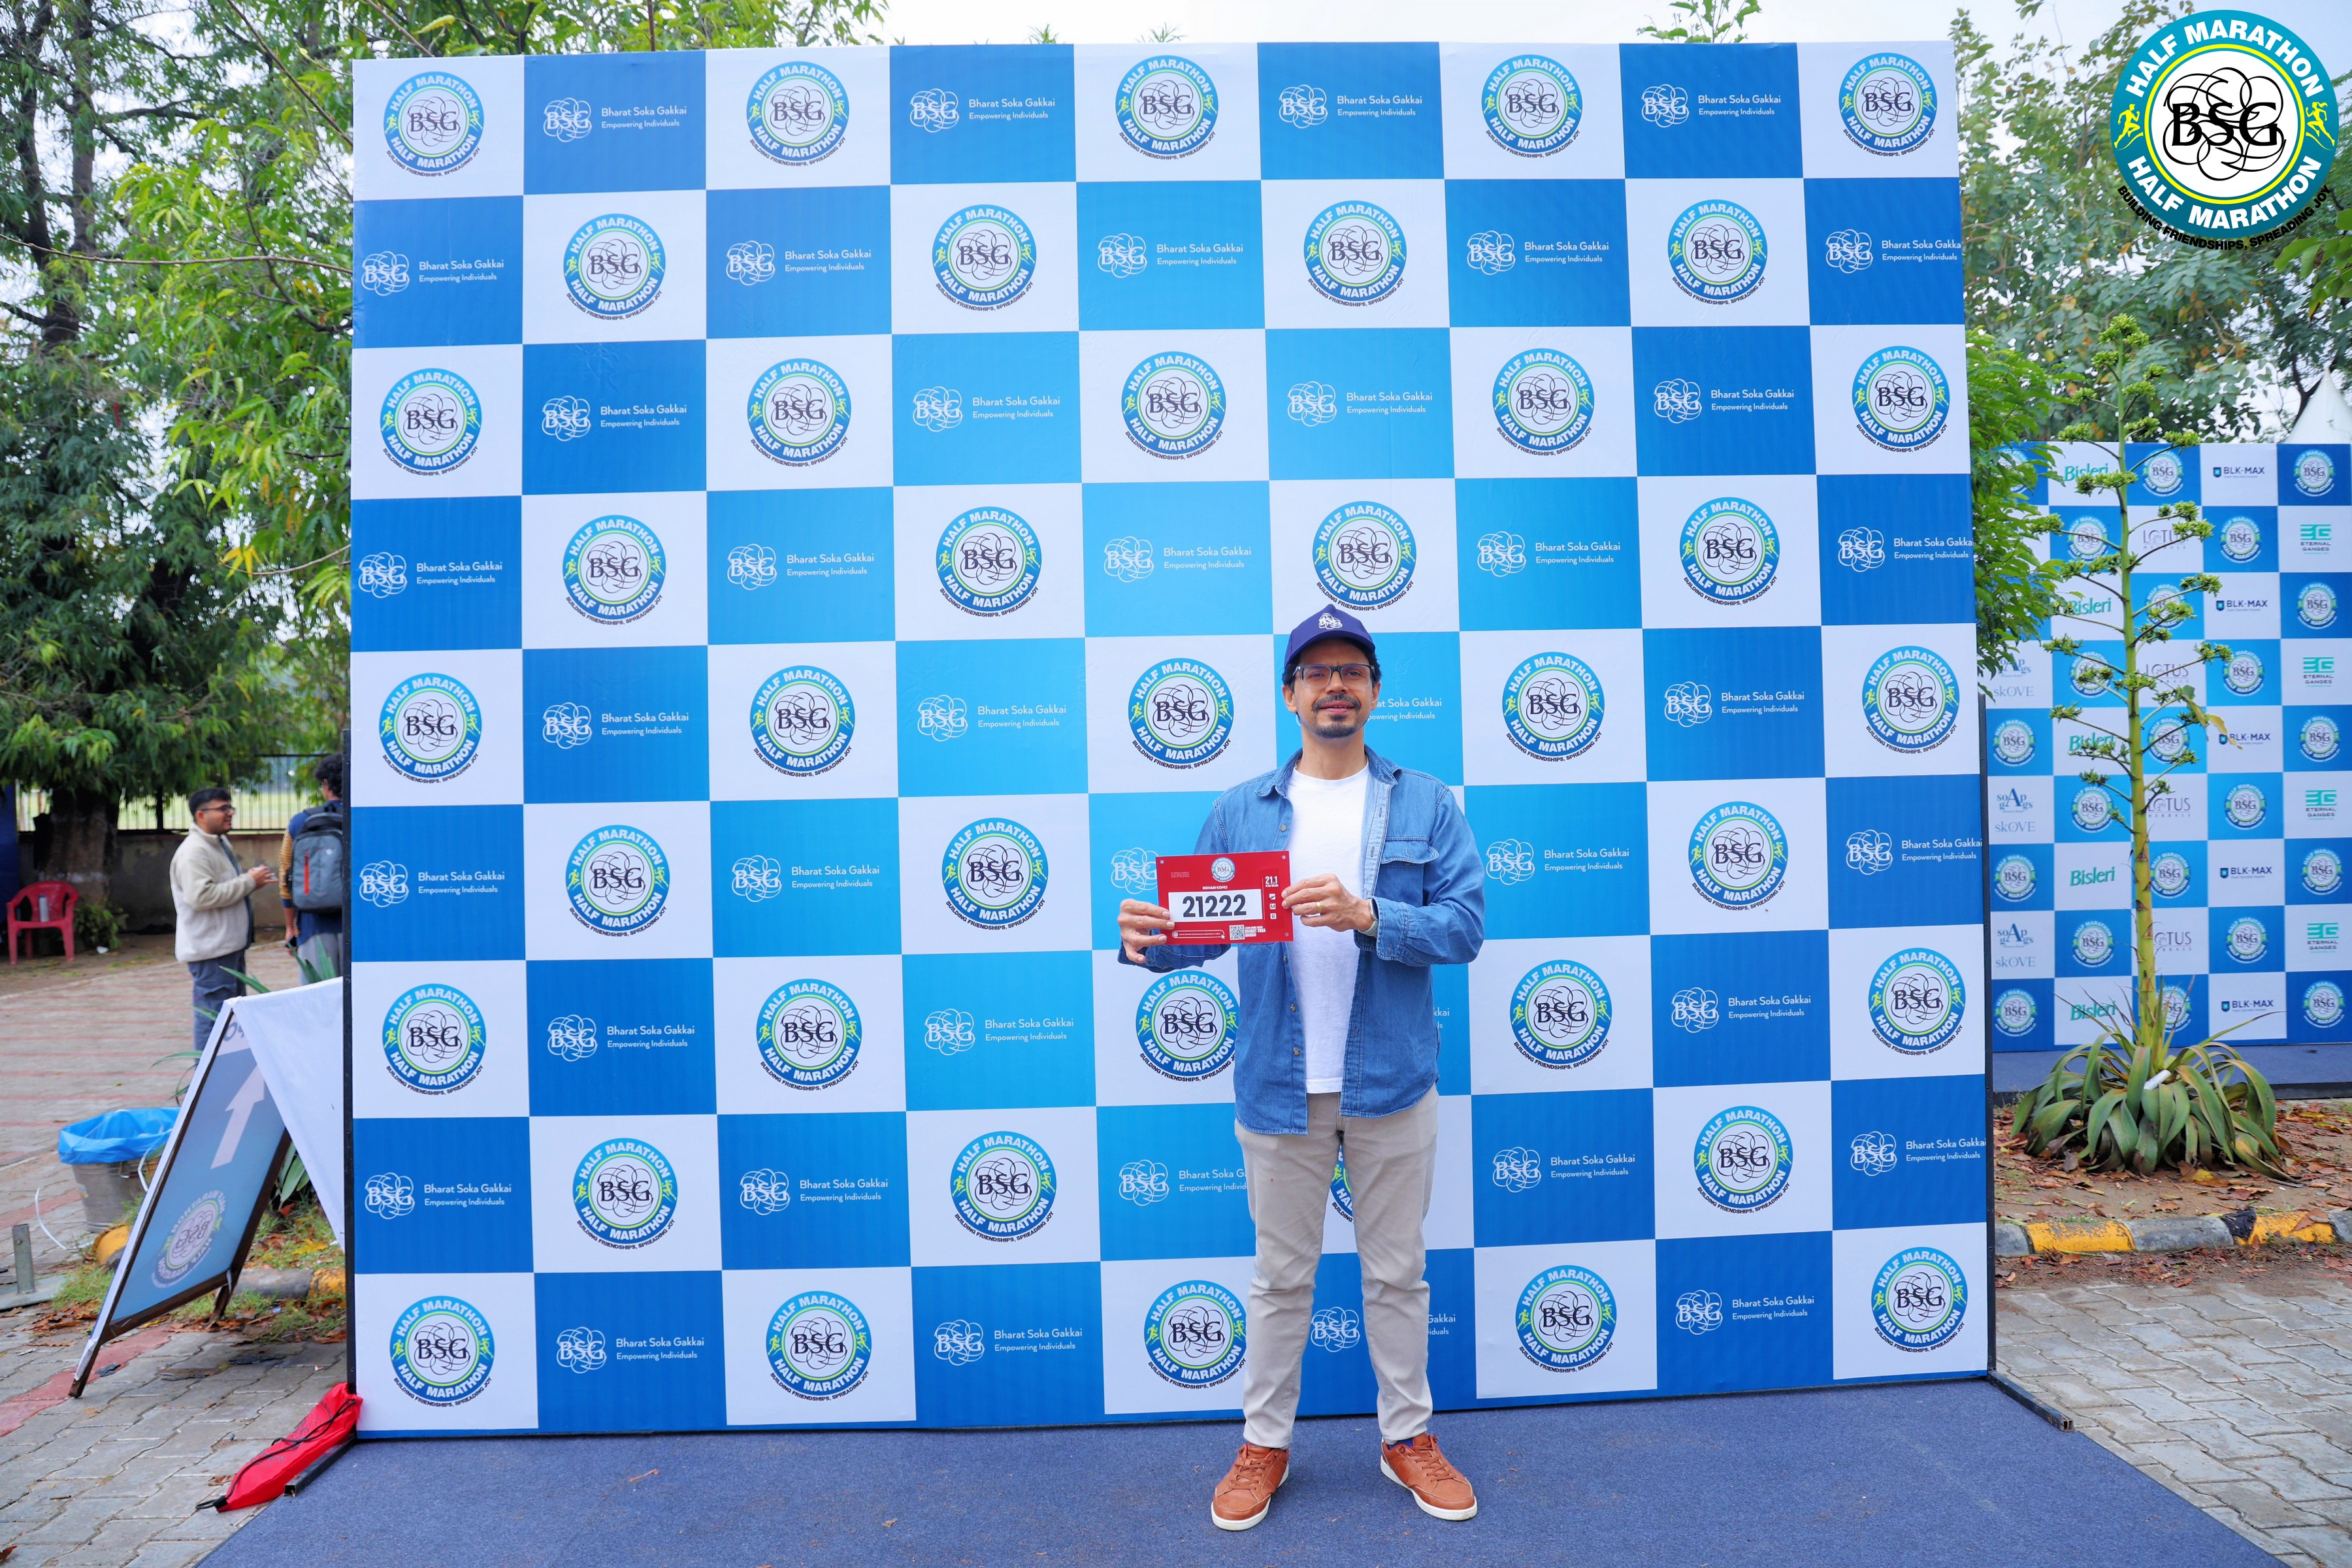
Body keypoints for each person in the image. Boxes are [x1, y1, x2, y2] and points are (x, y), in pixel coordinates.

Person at [1117, 604, 1487, 1531]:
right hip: (1279, 1087)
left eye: (1350, 671)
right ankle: (1265, 1444)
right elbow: (1197, 938)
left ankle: (1407, 1438)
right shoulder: (1241, 810)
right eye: (1316, 673)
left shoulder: (1427, 803)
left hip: (1392, 1082)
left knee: (1397, 1275)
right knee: (1281, 1280)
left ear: (1374, 692)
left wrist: (1371, 917)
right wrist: (1146, 942)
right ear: (1290, 695)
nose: (1334, 686)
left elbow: (1465, 928)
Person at [170, 787, 275, 1050]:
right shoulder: (194, 852)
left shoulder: (218, 843)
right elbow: (201, 897)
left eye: (230, 808)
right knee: (214, 1018)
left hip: (228, 947)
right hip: (211, 952)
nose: (230, 814)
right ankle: (206, 1074)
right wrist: (249, 881)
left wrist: (247, 881)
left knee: (230, 1019)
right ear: (201, 815)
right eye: (223, 809)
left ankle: (225, 1072)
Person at [279, 754, 345, 973]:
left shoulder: (301, 821)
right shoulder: (367, 818)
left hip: (312, 925)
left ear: (326, 784)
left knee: (319, 991)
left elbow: (285, 876)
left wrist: (291, 928)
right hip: (360, 925)